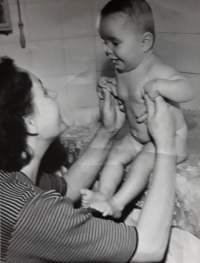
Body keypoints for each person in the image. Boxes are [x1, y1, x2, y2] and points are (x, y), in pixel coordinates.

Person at [0, 57, 177, 263]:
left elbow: (70, 188)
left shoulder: (11, 182)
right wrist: (165, 145)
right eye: (46, 93)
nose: (54, 94)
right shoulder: (30, 211)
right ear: (29, 122)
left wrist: (107, 130)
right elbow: (149, 248)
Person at [81, 0, 195, 218]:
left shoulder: (156, 70)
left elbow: (188, 89)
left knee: (141, 163)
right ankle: (103, 194)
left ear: (145, 42)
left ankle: (118, 203)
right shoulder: (123, 70)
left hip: (169, 141)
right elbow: (130, 97)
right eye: (105, 42)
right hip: (137, 137)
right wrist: (111, 86)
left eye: (115, 42)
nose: (107, 49)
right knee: (115, 155)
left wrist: (161, 85)